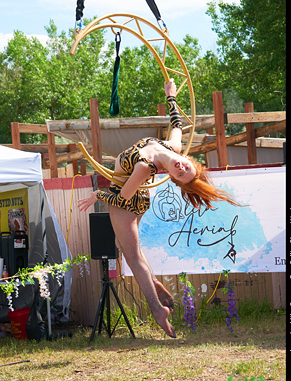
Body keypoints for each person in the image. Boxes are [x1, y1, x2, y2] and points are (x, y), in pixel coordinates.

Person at [78, 79, 239, 338]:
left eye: (181, 174)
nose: (182, 168)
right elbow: (177, 124)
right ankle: (153, 283)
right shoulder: (172, 146)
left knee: (132, 257)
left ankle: (157, 310)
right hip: (136, 197)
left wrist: (99, 194)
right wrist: (171, 95)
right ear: (187, 159)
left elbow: (122, 197)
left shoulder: (147, 166)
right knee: (130, 250)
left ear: (172, 178)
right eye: (186, 168)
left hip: (127, 200)